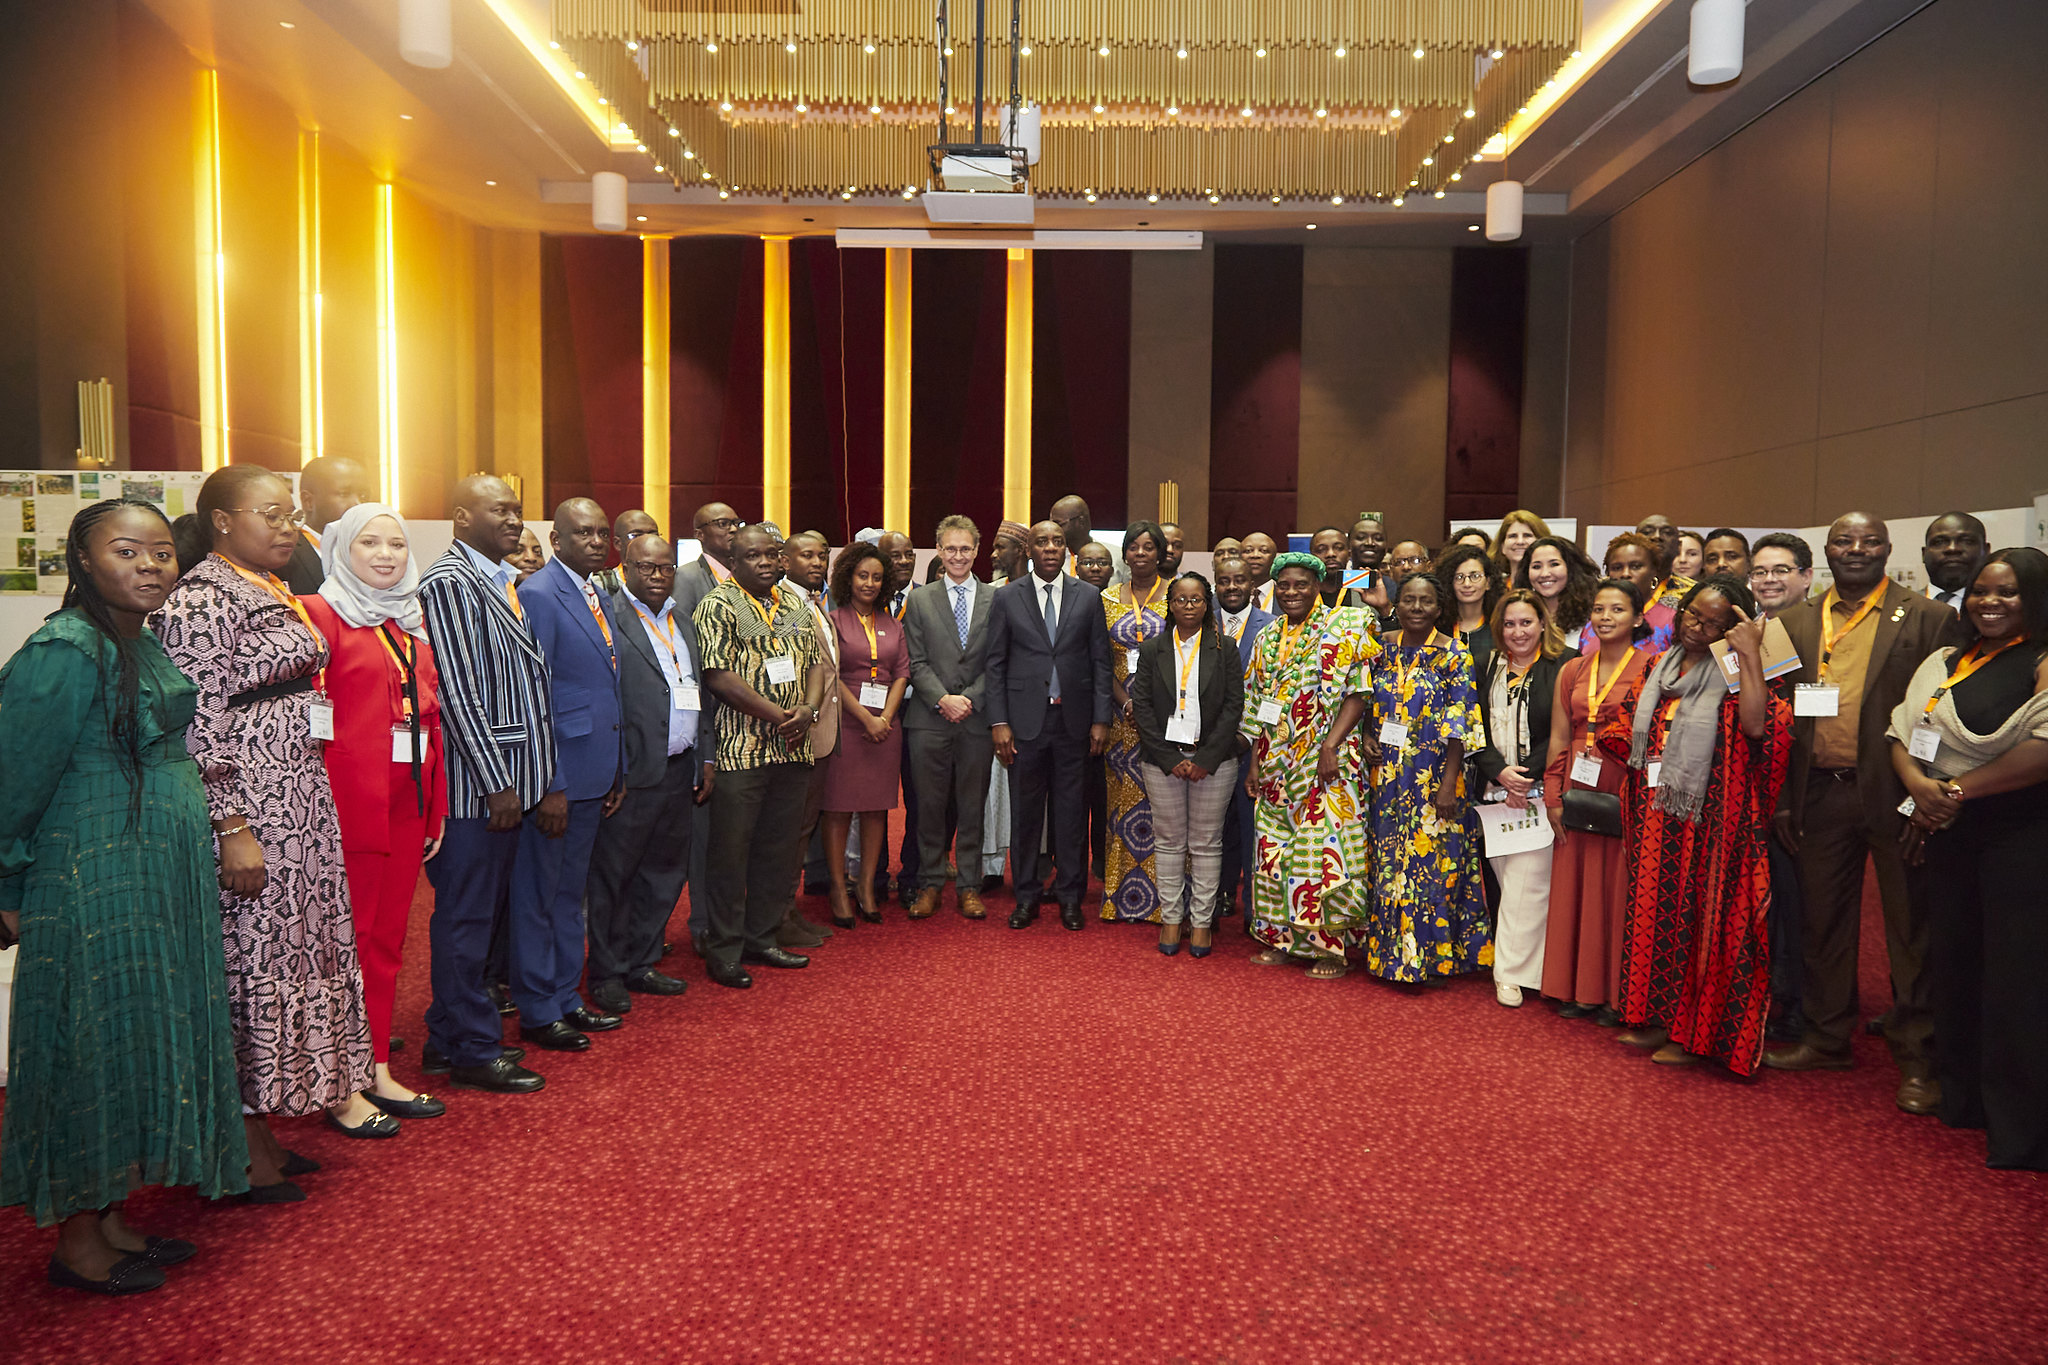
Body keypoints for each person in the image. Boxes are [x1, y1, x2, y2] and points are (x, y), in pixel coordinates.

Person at [0, 499, 248, 1294]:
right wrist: (9, 885)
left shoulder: (138, 637)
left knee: (136, 1031)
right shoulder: (64, 651)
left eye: (162, 552)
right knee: (89, 1042)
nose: (150, 565)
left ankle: (108, 1213)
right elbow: (13, 780)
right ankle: (76, 1239)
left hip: (152, 873)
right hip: (89, 872)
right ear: (82, 559)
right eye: (127, 551)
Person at [155, 466, 381, 1181]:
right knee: (251, 960)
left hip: (298, 800)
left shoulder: (269, 584)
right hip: (251, 808)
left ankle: (265, 1126)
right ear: (222, 521)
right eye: (270, 514)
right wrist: (231, 827)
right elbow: (198, 723)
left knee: (297, 952)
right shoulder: (200, 598)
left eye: (290, 515)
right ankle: (239, 1144)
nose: (287, 527)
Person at [1764, 513, 1963, 1116]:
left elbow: (1941, 714)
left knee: (1910, 929)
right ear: (1827, 551)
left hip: (1895, 794)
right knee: (1821, 922)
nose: (1857, 549)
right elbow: (1778, 716)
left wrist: (1925, 795)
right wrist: (1784, 797)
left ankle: (1919, 1058)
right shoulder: (1794, 621)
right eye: (1844, 541)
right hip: (1819, 793)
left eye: (1870, 541)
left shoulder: (1929, 617)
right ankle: (1826, 1038)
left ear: (1888, 549)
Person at [1889, 548, 2048, 1169]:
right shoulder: (1947, 660)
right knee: (1957, 964)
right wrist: (1921, 789)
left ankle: (2021, 1128)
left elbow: (2043, 748)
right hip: (1947, 831)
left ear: (2035, 597)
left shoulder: (2041, 659)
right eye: (1982, 590)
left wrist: (1953, 792)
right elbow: (1902, 733)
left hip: (2021, 838)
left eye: (2007, 592)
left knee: (2016, 979)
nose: (1990, 602)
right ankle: (1965, 1100)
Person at [300, 503, 449, 1121]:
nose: (386, 554)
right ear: (341, 549)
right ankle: (339, 1084)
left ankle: (377, 1068)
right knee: (346, 944)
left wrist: (436, 808)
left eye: (396, 543)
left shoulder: (409, 622)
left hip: (406, 804)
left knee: (387, 943)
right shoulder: (317, 615)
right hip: (346, 809)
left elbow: (430, 723)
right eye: (370, 543)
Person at [1608, 576, 1792, 1072]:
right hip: (1656, 815)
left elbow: (1760, 726)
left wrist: (1748, 653)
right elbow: (1630, 722)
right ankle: (1658, 1017)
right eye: (1693, 614)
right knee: (1656, 915)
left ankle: (1695, 1034)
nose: (1697, 627)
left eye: (1713, 623)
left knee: (1701, 922)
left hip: (1711, 818)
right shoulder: (1660, 664)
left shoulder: (1737, 668)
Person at [415, 474, 552, 1095]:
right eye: (499, 509)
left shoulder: (497, 580)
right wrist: (499, 783)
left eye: (517, 510)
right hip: (477, 790)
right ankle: (473, 1048)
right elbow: (459, 692)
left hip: (510, 780)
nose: (514, 520)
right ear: (461, 517)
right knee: (466, 922)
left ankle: (446, 1038)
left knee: (478, 919)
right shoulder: (450, 581)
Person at [505, 498, 625, 1053]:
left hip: (595, 769)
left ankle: (564, 996)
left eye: (602, 532)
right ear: (556, 540)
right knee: (539, 896)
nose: (597, 542)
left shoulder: (596, 592)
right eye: (583, 533)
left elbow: (607, 684)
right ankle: (537, 1009)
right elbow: (533, 696)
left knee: (569, 894)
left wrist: (618, 767)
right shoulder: (537, 594)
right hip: (557, 778)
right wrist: (548, 782)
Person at [584, 532, 713, 1017]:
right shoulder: (610, 617)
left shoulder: (684, 620)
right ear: (626, 567)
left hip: (680, 767)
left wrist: (706, 757)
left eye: (665, 568)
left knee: (664, 873)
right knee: (615, 877)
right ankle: (607, 972)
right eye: (646, 567)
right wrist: (612, 769)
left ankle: (642, 960)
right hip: (633, 770)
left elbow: (701, 693)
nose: (658, 576)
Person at [696, 524, 827, 988]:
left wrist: (808, 710)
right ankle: (724, 949)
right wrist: (779, 716)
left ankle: (762, 937)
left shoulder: (793, 603)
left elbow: (814, 663)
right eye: (754, 556)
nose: (767, 562)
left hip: (792, 749)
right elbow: (718, 675)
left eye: (772, 554)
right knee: (731, 857)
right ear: (734, 562)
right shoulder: (717, 605)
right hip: (741, 753)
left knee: (777, 851)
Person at [1239, 553, 1379, 978]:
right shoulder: (1267, 636)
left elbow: (1358, 692)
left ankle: (1330, 949)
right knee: (1274, 854)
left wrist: (1330, 746)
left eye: (1301, 584)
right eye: (1284, 585)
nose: (1291, 592)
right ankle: (1282, 939)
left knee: (1321, 855)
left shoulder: (1344, 626)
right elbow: (1257, 703)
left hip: (1327, 762)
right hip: (1276, 762)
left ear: (1317, 586)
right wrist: (1254, 762)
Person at [1362, 572, 1489, 983]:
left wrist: (1449, 784)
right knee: (1387, 865)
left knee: (1431, 868)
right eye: (1409, 600)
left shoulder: (1454, 654)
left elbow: (1460, 725)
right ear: (1397, 605)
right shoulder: (1380, 647)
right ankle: (1387, 956)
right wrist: (1366, 735)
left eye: (1426, 601)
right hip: (1385, 778)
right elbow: (1364, 700)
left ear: (1438, 608)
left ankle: (1430, 960)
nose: (1416, 608)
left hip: (1434, 778)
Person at [987, 520, 1112, 930]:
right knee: (1025, 816)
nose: (1051, 548)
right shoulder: (1007, 597)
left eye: (1058, 541)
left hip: (1074, 722)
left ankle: (1071, 898)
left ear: (1066, 550)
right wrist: (999, 721)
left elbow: (1100, 662)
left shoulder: (1088, 596)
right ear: (1030, 550)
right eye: (1042, 542)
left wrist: (1101, 718)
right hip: (1024, 724)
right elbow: (995, 664)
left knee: (1072, 815)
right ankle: (1025, 896)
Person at [1540, 578, 1652, 1023]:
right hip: (1575, 780)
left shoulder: (1652, 667)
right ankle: (1577, 989)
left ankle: (1614, 995)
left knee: (1618, 888)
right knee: (1575, 883)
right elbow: (1559, 735)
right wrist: (1552, 793)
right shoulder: (1573, 669)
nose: (1606, 617)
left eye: (1617, 610)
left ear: (1638, 618)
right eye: (1599, 609)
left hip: (1622, 783)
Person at [1131, 572, 1243, 957]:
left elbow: (1234, 706)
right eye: (1181, 599)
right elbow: (1142, 708)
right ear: (1171, 605)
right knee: (1169, 841)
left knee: (1207, 843)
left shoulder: (1225, 648)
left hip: (1214, 760)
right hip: (1163, 760)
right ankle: (1171, 918)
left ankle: (1201, 922)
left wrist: (1206, 759)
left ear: (1207, 604)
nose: (1188, 606)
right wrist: (1170, 758)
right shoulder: (1152, 649)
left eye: (1196, 599)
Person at [1473, 589, 1564, 1007]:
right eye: (1509, 624)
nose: (1518, 631)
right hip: (1493, 792)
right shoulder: (1485, 665)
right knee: (1507, 882)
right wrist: (1499, 771)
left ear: (1543, 624)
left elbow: (1563, 730)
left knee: (1526, 885)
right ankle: (1532, 968)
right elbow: (1471, 722)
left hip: (1538, 791)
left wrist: (1523, 776)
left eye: (1526, 622)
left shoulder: (1563, 665)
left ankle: (1508, 973)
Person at [903, 516, 996, 921]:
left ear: (977, 551)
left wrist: (968, 699)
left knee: (972, 806)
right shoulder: (920, 600)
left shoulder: (996, 599)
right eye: (951, 549)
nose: (958, 556)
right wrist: (943, 699)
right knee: (928, 807)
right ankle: (929, 883)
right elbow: (915, 660)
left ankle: (969, 886)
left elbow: (997, 661)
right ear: (939, 551)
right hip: (929, 719)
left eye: (965, 549)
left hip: (975, 720)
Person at [820, 540, 909, 927]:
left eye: (876, 577)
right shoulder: (833, 621)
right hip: (846, 725)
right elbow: (831, 675)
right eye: (862, 576)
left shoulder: (893, 624)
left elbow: (902, 673)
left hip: (885, 729)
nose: (869, 583)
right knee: (838, 809)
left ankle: (867, 886)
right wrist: (865, 719)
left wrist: (885, 718)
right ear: (848, 578)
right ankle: (839, 888)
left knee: (875, 810)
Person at [673, 501, 743, 955]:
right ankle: (702, 924)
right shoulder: (686, 580)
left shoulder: (746, 578)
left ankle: (733, 918)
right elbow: (686, 658)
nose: (731, 530)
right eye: (721, 523)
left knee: (736, 835)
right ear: (699, 533)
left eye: (735, 522)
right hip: (708, 722)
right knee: (704, 837)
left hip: (747, 724)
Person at [1101, 521, 1172, 922]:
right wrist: (1127, 702)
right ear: (1125, 554)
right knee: (1120, 806)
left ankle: (1165, 900)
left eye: (1149, 547)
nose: (1141, 553)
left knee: (1166, 806)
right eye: (1134, 547)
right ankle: (1120, 896)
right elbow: (1100, 661)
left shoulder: (1178, 595)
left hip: (1166, 719)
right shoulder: (1107, 599)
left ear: (1160, 553)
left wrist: (1153, 707)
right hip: (1120, 719)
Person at [780, 531, 842, 947]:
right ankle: (778, 915)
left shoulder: (816, 602)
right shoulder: (784, 605)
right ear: (785, 561)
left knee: (801, 829)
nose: (817, 562)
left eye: (822, 555)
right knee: (789, 832)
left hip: (821, 736)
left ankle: (788, 910)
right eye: (807, 555)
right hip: (798, 734)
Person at [1213, 553, 1275, 919]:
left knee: (1252, 828)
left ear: (1252, 586)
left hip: (1255, 745)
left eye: (1239, 581)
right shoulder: (1199, 623)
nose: (1232, 587)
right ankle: (1217, 896)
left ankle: (1255, 908)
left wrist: (1249, 736)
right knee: (1216, 828)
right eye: (1224, 581)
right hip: (1210, 745)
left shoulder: (1273, 627)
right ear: (1215, 585)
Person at [282, 455, 370, 594]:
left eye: (363, 496)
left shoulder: (371, 551)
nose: (358, 504)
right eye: (344, 494)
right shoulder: (285, 554)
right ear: (308, 501)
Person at [1514, 535, 1600, 654]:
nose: (1544, 574)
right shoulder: (1519, 617)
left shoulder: (1592, 618)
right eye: (1536, 567)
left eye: (1554, 564)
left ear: (1571, 568)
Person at [1603, 532, 1682, 655]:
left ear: (1654, 571)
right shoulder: (1595, 622)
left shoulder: (1674, 622)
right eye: (1617, 568)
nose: (1625, 574)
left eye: (1635, 567)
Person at [1435, 543, 1502, 679]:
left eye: (1475, 576)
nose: (1467, 584)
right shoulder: (1438, 628)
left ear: (1488, 582)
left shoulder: (1500, 627)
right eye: (1459, 577)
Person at [1922, 512, 1988, 611]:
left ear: (1986, 551)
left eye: (1967, 541)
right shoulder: (1902, 607)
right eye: (1939, 542)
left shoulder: (2000, 610)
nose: (1952, 549)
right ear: (1923, 554)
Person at [594, 508, 658, 597]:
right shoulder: (599, 587)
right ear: (618, 543)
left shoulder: (673, 582)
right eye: (636, 536)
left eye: (653, 535)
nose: (647, 541)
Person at [1748, 532, 1813, 617]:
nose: (1769, 579)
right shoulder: (1746, 623)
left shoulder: (1825, 621)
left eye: (1781, 571)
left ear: (1806, 577)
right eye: (1760, 572)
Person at [1344, 513, 1392, 618]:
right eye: (1361, 538)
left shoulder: (1395, 587)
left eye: (1378, 538)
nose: (1369, 543)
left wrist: (1385, 609)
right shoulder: (1337, 583)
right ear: (1348, 546)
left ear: (1386, 548)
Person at [1309, 526, 1365, 609]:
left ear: (1349, 554)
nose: (1330, 554)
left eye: (1338, 548)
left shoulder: (1362, 583)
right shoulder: (1303, 589)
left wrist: (1383, 608)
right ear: (1312, 557)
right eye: (1321, 549)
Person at [1490, 509, 1551, 583]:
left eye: (1527, 535)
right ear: (1502, 547)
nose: (1520, 542)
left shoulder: (1550, 587)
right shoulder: (1493, 587)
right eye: (1513, 536)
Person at [1240, 531, 1279, 612]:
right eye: (1248, 551)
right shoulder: (1223, 597)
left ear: (1274, 557)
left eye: (1264, 551)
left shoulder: (1286, 595)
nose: (1255, 555)